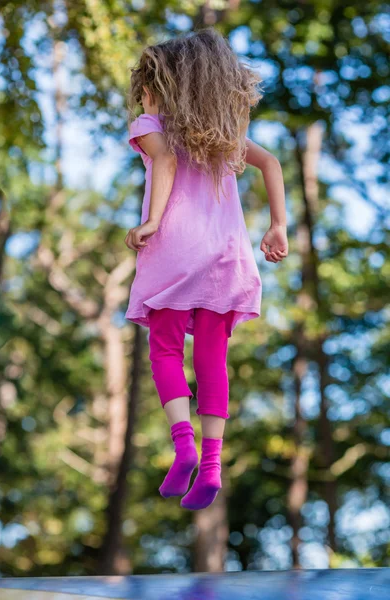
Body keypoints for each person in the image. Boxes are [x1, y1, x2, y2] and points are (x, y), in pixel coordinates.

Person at [124, 28, 288, 511]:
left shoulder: (152, 123)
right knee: (212, 358)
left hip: (175, 249)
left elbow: (166, 162)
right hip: (227, 257)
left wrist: (151, 220)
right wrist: (278, 226)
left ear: (161, 84)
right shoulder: (225, 135)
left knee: (165, 351)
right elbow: (272, 162)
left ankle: (184, 446)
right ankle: (212, 465)